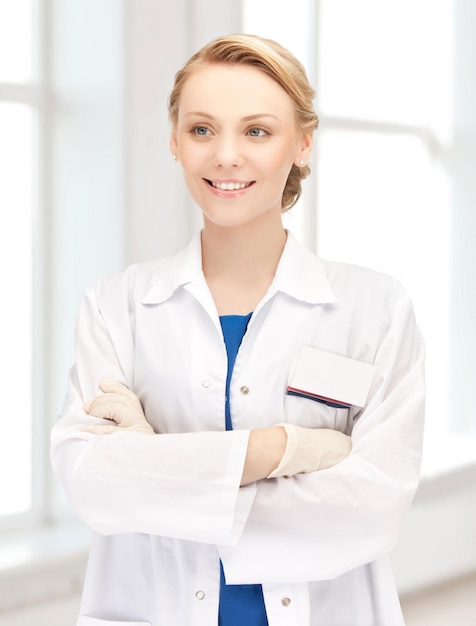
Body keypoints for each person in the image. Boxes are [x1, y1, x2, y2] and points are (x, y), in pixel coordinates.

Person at [51, 34, 425, 626]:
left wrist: (157, 466)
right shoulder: (115, 306)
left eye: (257, 131)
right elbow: (96, 487)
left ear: (303, 144)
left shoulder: (374, 308)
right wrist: (282, 450)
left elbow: (370, 510)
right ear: (174, 141)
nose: (226, 155)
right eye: (202, 130)